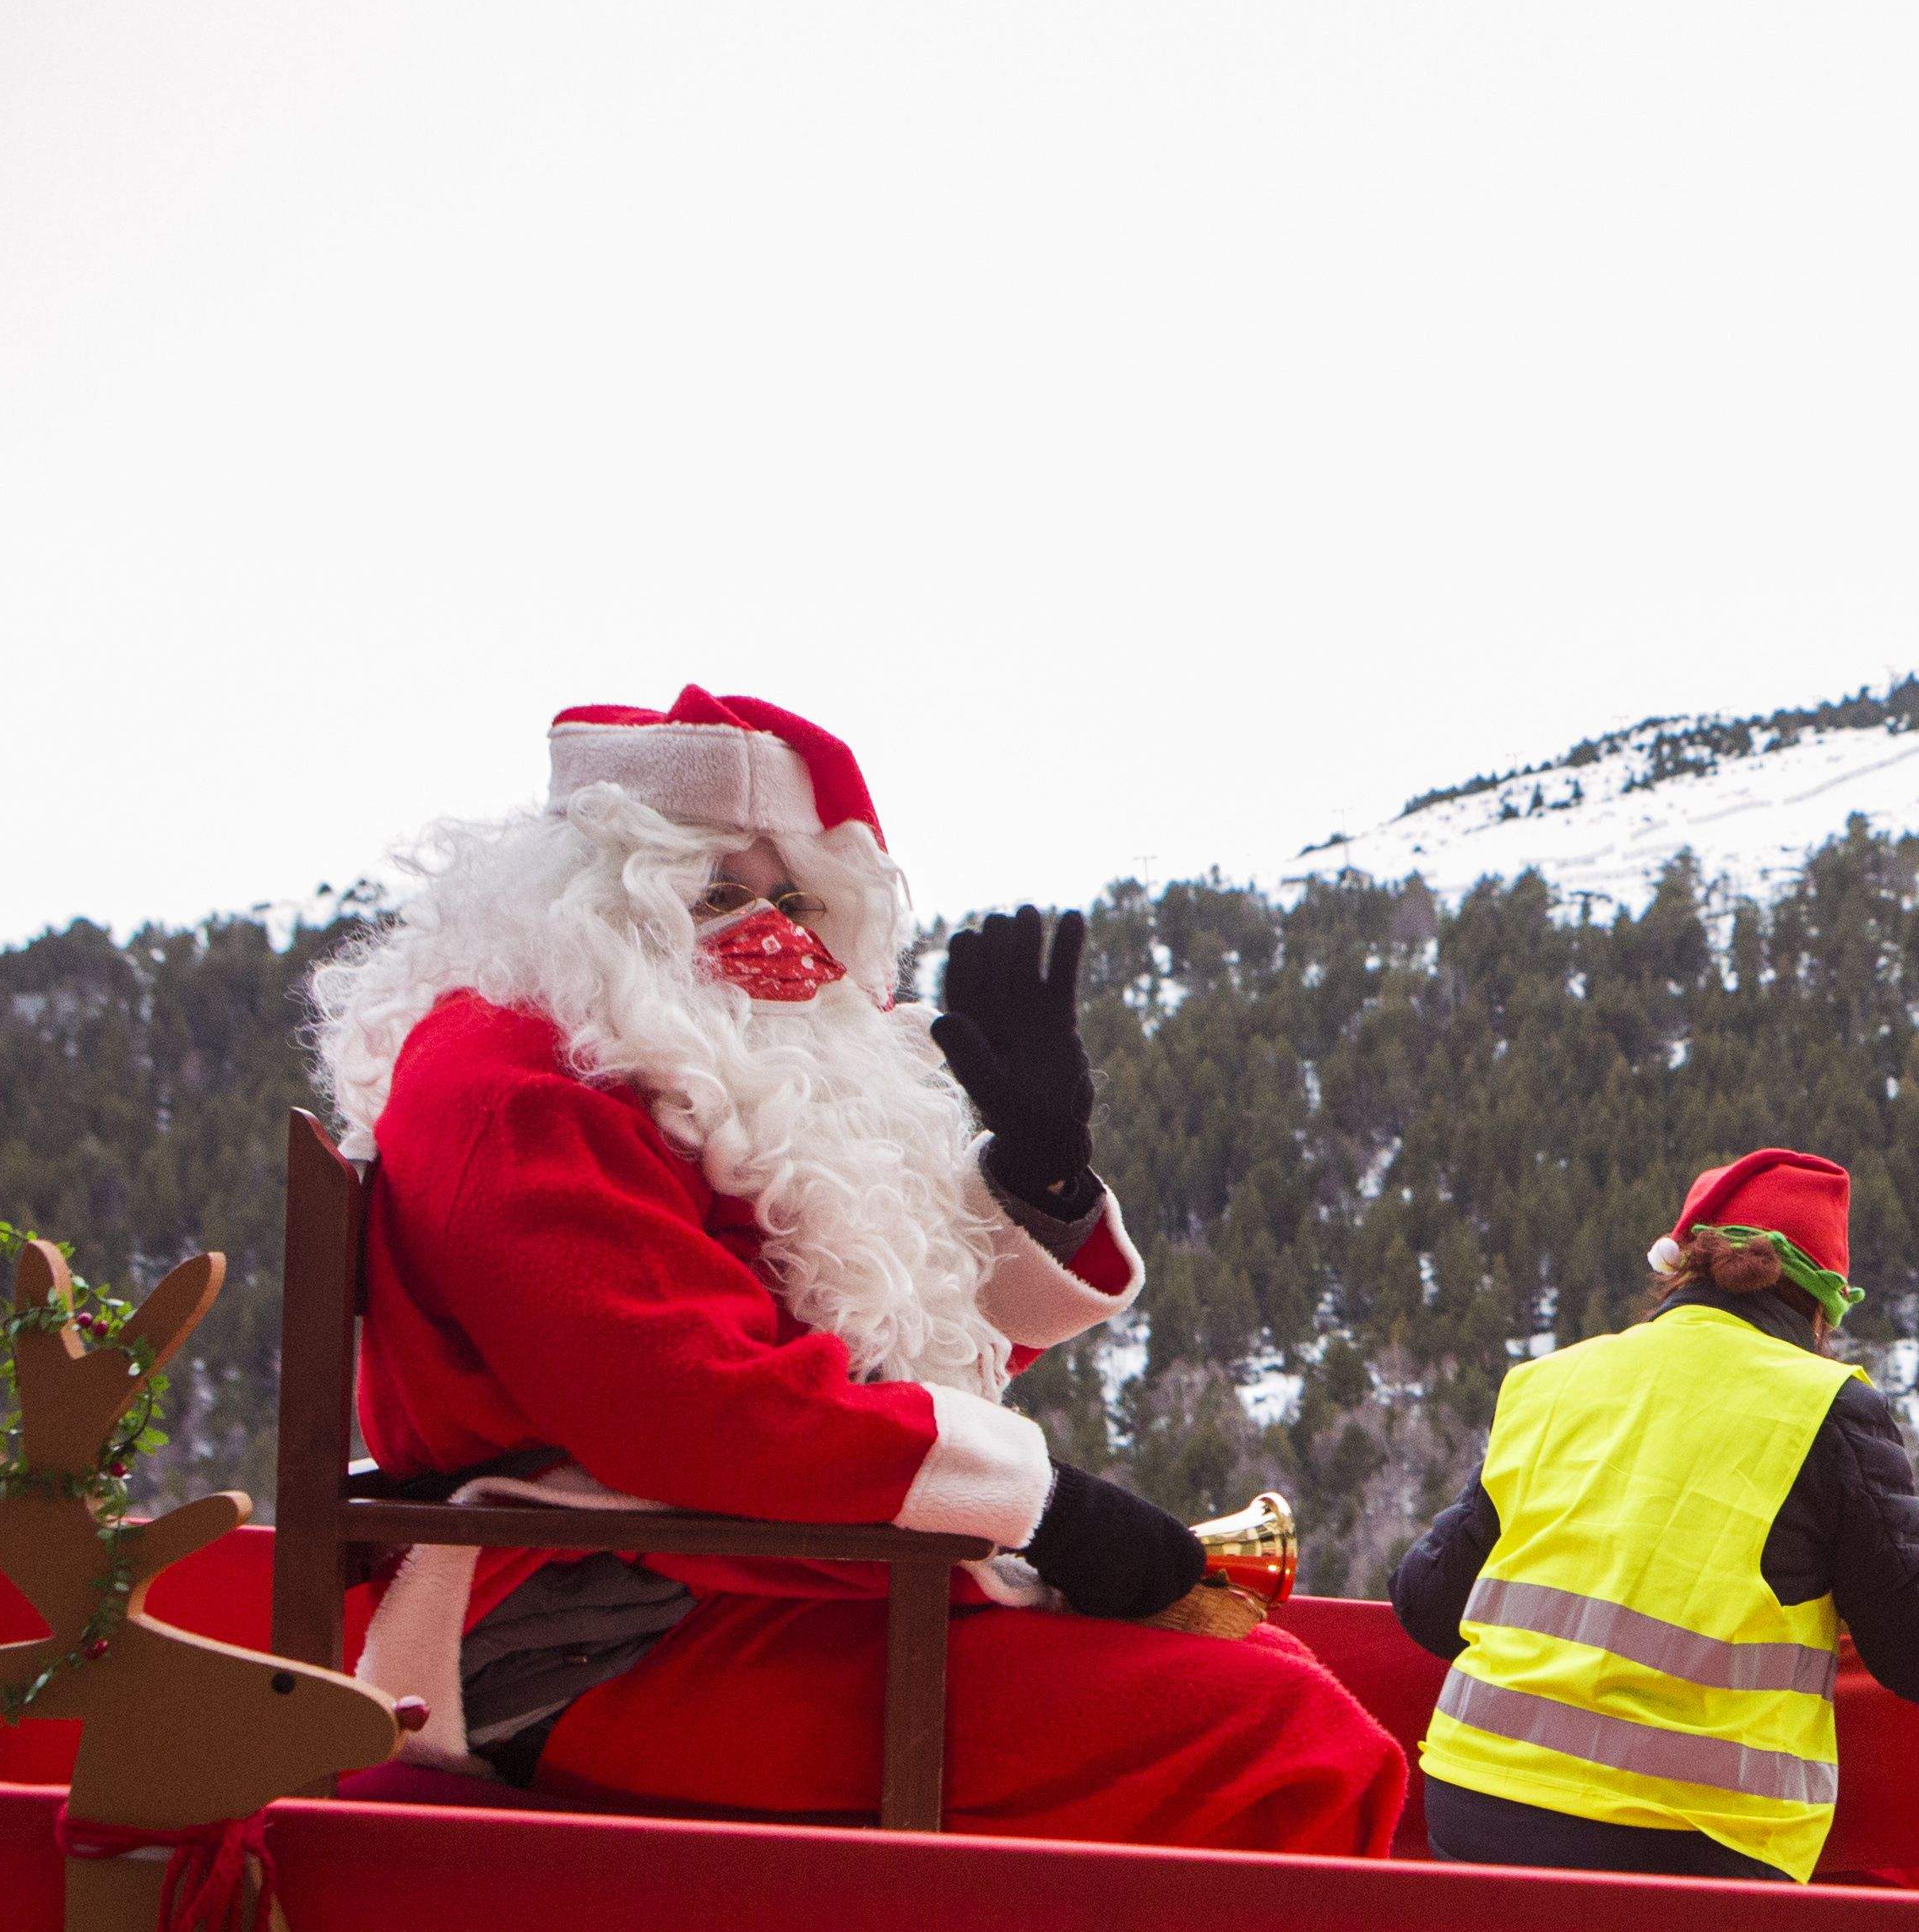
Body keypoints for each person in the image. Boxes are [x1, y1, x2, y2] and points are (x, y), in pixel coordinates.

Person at [306, 687, 1411, 1855]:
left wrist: (1038, 1178)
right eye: (716, 895)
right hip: (594, 1632)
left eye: (795, 902)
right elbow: (692, 1409)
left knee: (1261, 1666)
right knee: (1282, 1739)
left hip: (747, 1572)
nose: (771, 937)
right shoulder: (517, 1080)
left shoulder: (676, 1069)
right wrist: (1042, 1509)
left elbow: (869, 1354)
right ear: (591, 902)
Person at [1395, 1148, 1919, 1880]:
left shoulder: (1549, 1382)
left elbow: (1428, 1603)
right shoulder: (1827, 1409)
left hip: (1476, 1806)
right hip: (1690, 1843)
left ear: (1679, 1267)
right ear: (1823, 1308)